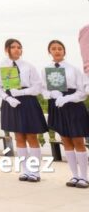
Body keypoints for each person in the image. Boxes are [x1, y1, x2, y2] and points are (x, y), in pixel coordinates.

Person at [0, 38, 48, 183]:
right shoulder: (0, 66)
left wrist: (21, 93)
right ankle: (25, 171)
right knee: (19, 137)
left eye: (19, 47)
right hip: (11, 102)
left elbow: (37, 87)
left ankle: (35, 171)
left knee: (31, 137)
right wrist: (8, 98)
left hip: (28, 100)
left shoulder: (28, 66)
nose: (17, 49)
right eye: (13, 47)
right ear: (7, 49)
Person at [43, 40, 88, 188]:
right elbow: (42, 90)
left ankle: (84, 177)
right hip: (56, 105)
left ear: (64, 51)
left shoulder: (73, 69)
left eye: (60, 48)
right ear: (49, 51)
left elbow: (82, 93)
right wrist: (51, 94)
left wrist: (67, 98)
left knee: (78, 141)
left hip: (73, 106)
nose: (57, 51)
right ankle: (74, 176)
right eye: (53, 49)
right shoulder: (46, 70)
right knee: (66, 141)